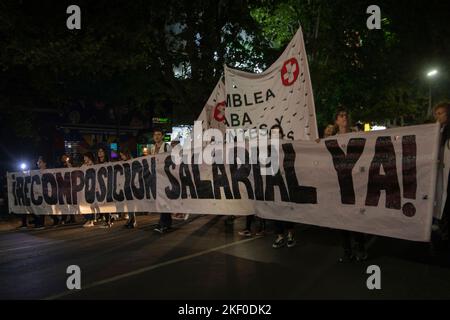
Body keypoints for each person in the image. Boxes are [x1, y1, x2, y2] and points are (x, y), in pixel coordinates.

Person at [324, 107, 368, 262]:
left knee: (356, 218)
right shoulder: (332, 139)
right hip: (338, 184)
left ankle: (360, 248)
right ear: (336, 120)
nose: (344, 118)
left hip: (355, 183)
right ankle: (347, 250)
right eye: (341, 116)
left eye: (346, 115)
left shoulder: (358, 135)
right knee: (342, 219)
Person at [433, 102, 450, 248]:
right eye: (436, 114)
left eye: (440, 113)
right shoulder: (440, 130)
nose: (437, 116)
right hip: (442, 173)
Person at [150, 128, 173, 233]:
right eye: (155, 135)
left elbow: (171, 160)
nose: (157, 136)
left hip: (165, 176)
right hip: (157, 177)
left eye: (159, 134)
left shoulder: (167, 146)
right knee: (162, 200)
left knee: (164, 200)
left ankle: (162, 223)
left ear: (162, 136)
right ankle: (167, 223)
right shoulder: (152, 148)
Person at [119, 149, 137, 228]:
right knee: (129, 204)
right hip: (125, 185)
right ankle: (130, 219)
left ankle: (132, 220)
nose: (122, 157)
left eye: (122, 155)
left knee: (131, 204)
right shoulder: (123, 163)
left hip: (131, 185)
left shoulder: (132, 162)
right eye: (121, 156)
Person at [59, 154, 76, 224]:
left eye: (65, 157)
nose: (64, 158)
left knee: (69, 203)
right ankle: (64, 218)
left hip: (70, 187)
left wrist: (69, 165)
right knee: (64, 203)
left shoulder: (70, 165)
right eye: (62, 157)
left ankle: (72, 218)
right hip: (63, 187)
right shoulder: (60, 166)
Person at [82, 152, 97, 228]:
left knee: (91, 204)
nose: (84, 159)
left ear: (89, 157)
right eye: (84, 157)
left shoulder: (94, 165)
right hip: (85, 188)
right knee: (85, 204)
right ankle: (91, 219)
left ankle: (90, 220)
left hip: (92, 187)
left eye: (86, 157)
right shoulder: (83, 165)